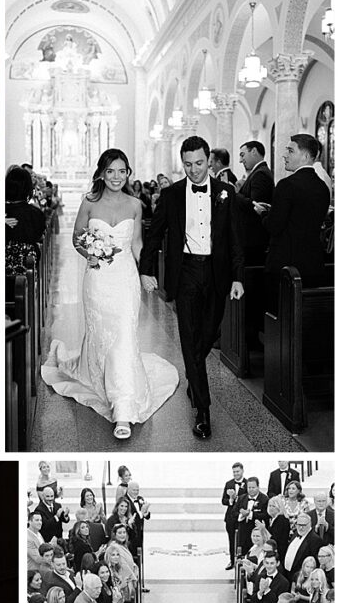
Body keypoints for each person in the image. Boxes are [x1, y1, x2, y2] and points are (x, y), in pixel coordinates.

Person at [42, 148, 178, 440]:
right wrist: (89, 253)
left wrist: (146, 272)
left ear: (128, 173)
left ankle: (124, 409)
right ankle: (97, 374)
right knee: (102, 333)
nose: (116, 177)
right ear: (101, 173)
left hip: (125, 278)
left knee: (124, 335)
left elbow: (138, 244)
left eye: (122, 171)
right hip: (98, 278)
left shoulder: (135, 204)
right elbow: (78, 237)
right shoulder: (89, 203)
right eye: (110, 171)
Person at [140, 136, 246, 440]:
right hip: (185, 271)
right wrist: (146, 270)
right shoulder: (172, 194)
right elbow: (155, 233)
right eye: (187, 164)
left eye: (199, 163)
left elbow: (235, 240)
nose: (194, 170)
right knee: (188, 337)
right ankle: (202, 408)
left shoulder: (226, 193)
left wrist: (238, 277)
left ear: (209, 160)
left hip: (217, 273)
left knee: (209, 334)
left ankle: (194, 375)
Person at [257, 133, 330, 293]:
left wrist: (262, 213)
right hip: (313, 264)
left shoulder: (286, 185)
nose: (284, 155)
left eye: (290, 151)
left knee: (280, 315)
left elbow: (274, 226)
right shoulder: (323, 187)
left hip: (286, 266)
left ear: (305, 156)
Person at [235, 140, 275, 265]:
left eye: (242, 155)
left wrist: (233, 194)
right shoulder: (259, 172)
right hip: (252, 238)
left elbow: (255, 206)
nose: (241, 160)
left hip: (254, 239)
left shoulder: (261, 174)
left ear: (253, 151)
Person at [222, 461, 247, 566]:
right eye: (234, 472)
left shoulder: (248, 483)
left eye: (237, 471)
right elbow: (223, 501)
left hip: (242, 517)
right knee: (231, 540)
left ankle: (242, 562)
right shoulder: (229, 484)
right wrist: (231, 500)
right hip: (230, 517)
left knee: (243, 540)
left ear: (242, 471)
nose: (236, 474)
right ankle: (232, 561)